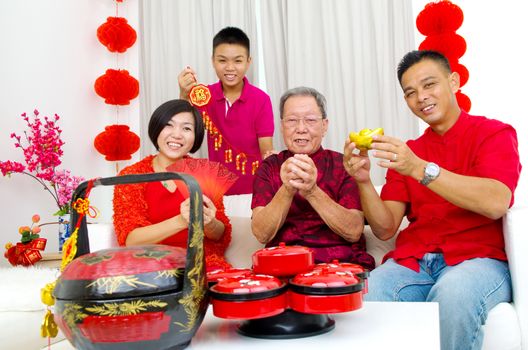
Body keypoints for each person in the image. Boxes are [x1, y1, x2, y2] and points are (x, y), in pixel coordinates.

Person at [343, 50, 521, 350]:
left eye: (429, 85)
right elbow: (385, 228)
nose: (421, 97)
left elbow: (496, 202)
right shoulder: (409, 151)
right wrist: (363, 181)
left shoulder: (493, 134)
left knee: (454, 294)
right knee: (367, 295)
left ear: (453, 82)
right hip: (414, 262)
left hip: (478, 261)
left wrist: (420, 168)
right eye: (410, 92)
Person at [251, 87, 374, 270]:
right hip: (283, 266)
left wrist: (312, 191)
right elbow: (261, 234)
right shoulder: (269, 167)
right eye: (292, 120)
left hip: (339, 265)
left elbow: (354, 231)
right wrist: (287, 189)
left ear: (324, 126)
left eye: (310, 120)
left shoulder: (345, 165)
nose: (301, 129)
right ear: (282, 126)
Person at [113, 99, 233, 270]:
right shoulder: (132, 176)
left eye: (186, 128)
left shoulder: (204, 172)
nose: (177, 134)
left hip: (203, 267)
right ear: (157, 128)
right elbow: (130, 240)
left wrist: (209, 223)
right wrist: (181, 221)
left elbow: (221, 235)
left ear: (195, 136)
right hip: (151, 271)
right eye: (169, 125)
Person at [178, 26, 275, 195]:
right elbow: (182, 132)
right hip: (215, 191)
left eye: (237, 61)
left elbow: (266, 151)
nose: (230, 67)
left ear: (248, 61)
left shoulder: (261, 99)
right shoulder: (203, 96)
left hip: (254, 191)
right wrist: (183, 94)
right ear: (213, 61)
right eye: (222, 60)